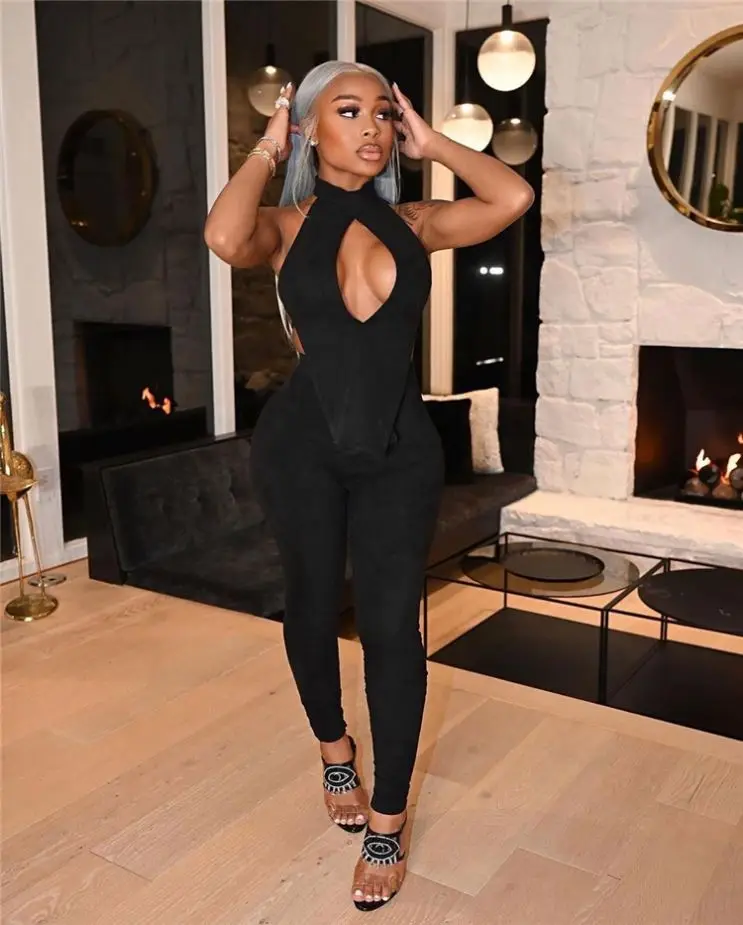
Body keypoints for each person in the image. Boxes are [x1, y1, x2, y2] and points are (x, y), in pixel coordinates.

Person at [204, 60, 533, 912]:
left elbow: (511, 198)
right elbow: (223, 237)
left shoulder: (414, 222)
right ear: (310, 127)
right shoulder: (284, 224)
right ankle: (332, 747)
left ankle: (387, 818)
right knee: (311, 606)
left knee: (392, 629)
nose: (373, 127)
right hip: (301, 446)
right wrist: (267, 149)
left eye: (383, 113)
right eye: (349, 111)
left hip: (398, 450)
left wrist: (436, 143)